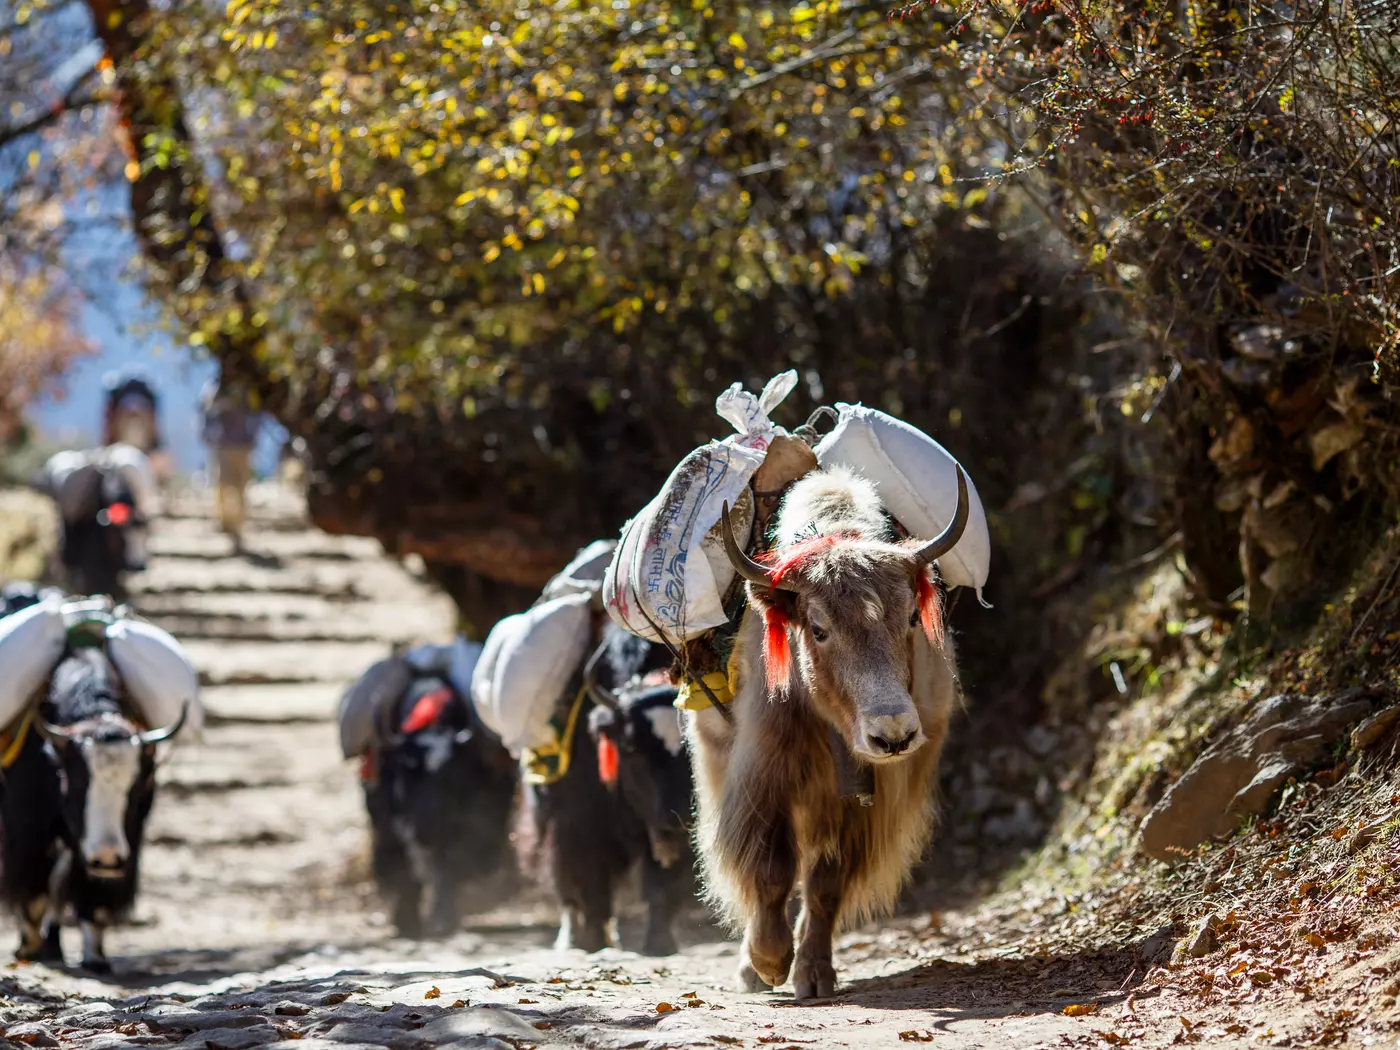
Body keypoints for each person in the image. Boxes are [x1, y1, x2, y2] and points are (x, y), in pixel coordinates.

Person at [200, 375, 264, 549]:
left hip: (242, 445)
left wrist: (253, 437)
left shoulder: (246, 389)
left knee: (241, 485)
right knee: (224, 484)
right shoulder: (214, 388)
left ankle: (237, 525)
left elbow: (256, 414)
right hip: (224, 445)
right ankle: (227, 524)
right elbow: (206, 413)